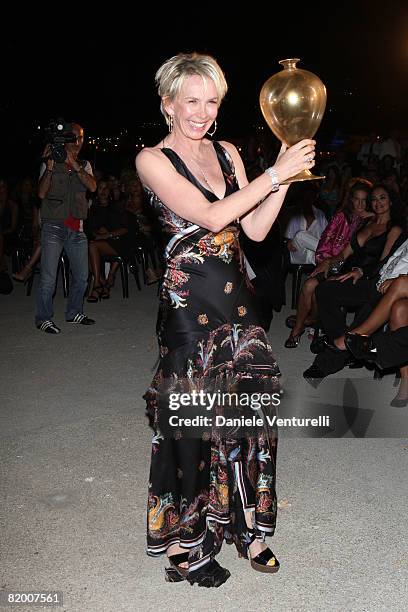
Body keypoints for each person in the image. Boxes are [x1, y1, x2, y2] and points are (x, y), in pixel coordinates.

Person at [136, 52, 316, 587]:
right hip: (190, 308)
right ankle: (187, 541)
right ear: (167, 103)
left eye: (211, 101)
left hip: (239, 301)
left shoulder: (228, 151)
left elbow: (255, 229)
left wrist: (288, 173)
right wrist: (274, 172)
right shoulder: (153, 160)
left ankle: (250, 532)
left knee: (249, 419)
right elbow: (213, 216)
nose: (202, 111)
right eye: (191, 100)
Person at [284, 180, 372, 348]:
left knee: (320, 291)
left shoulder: (371, 223)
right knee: (309, 285)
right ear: (351, 200)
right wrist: (326, 262)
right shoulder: (341, 216)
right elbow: (326, 240)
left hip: (352, 270)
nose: (360, 204)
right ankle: (297, 330)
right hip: (331, 263)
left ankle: (310, 320)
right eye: (356, 199)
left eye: (364, 200)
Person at [35, 122, 97, 333]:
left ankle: (74, 312)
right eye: (74, 138)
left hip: (77, 227)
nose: (78, 142)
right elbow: (41, 193)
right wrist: (51, 167)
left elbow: (93, 186)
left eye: (81, 138)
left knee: (81, 276)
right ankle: (43, 318)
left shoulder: (85, 163)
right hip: (53, 226)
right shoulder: (50, 160)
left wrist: (75, 164)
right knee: (48, 278)